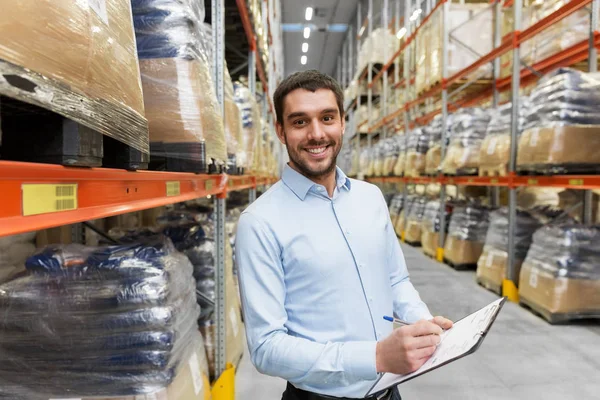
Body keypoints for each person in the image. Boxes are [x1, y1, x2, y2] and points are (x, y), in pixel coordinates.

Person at [235, 70, 453, 400]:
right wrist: (376, 356)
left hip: (387, 391)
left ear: (343, 122)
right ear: (280, 130)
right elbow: (267, 348)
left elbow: (394, 280)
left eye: (327, 118)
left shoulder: (370, 198)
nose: (317, 133)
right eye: (299, 122)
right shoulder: (260, 223)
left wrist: (424, 323)